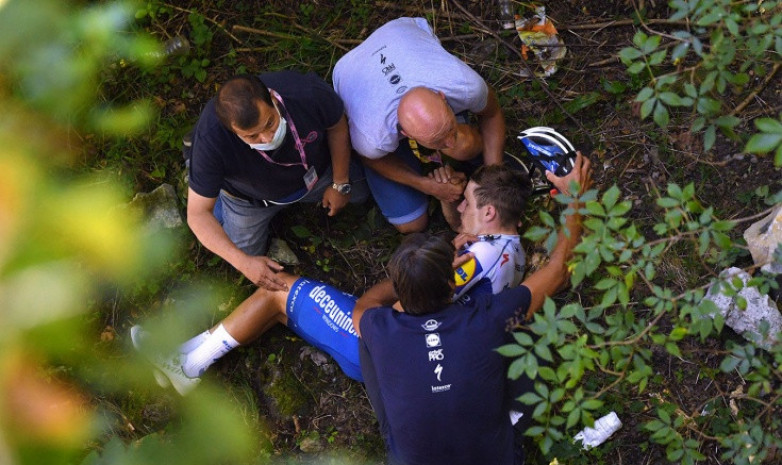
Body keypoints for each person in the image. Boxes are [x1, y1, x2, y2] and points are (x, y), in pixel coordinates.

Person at [130, 164, 532, 396]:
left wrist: (390, 287)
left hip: (388, 351)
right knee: (290, 310)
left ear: (491, 213)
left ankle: (187, 366)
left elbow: (407, 307)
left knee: (280, 289)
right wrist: (450, 205)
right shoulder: (511, 251)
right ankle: (187, 354)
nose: (461, 202)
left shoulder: (475, 259)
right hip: (426, 362)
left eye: (468, 198)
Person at [352, 152, 592, 465]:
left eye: (466, 201)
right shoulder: (491, 317)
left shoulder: (384, 329)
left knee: (365, 342)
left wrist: (411, 278)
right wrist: (576, 196)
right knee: (524, 338)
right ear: (452, 282)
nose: (460, 206)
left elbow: (364, 307)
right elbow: (559, 270)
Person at [187, 72, 369, 291]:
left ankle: (203, 180)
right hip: (249, 201)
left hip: (316, 174)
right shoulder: (212, 139)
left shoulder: (305, 91)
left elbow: (336, 125)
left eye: (269, 123)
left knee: (360, 191)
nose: (267, 138)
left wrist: (340, 182)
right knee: (241, 254)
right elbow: (197, 215)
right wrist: (244, 263)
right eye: (252, 136)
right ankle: (203, 180)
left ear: (273, 98)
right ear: (232, 132)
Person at [333, 17, 506, 233]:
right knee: (411, 224)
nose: (449, 142)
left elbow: (492, 113)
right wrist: (426, 185)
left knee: (463, 146)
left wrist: (493, 179)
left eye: (449, 129)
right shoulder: (373, 137)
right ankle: (431, 152)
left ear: (442, 97)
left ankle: (443, 142)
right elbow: (370, 159)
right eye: (438, 140)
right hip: (349, 69)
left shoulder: (463, 84)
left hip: (401, 30)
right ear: (404, 134)